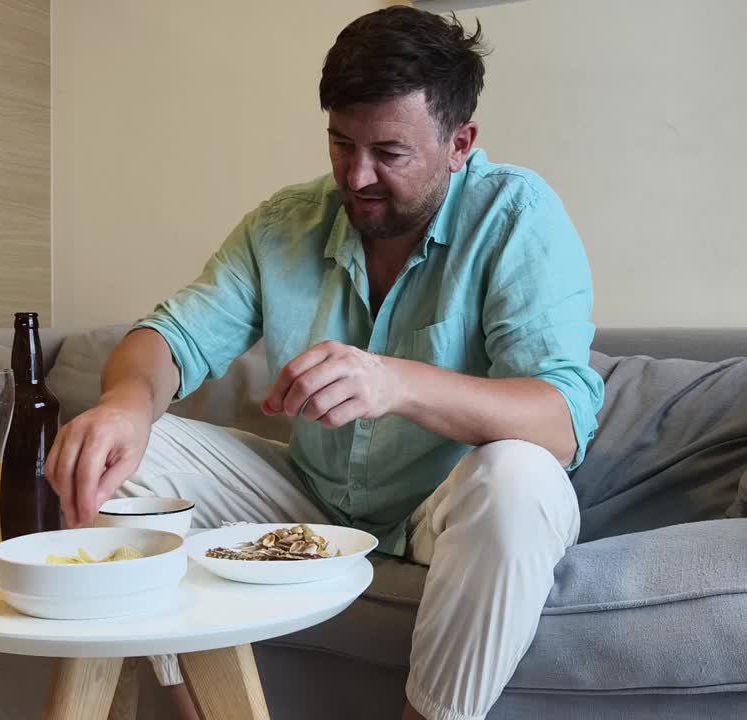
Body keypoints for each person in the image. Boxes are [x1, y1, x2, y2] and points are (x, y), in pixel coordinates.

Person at [45, 7, 604, 720]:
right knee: (128, 455)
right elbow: (167, 339)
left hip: (445, 509)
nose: (358, 175)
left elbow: (560, 422)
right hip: (309, 498)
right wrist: (124, 405)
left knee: (523, 478)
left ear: (460, 144)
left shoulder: (517, 215)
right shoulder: (286, 222)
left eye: (389, 152)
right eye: (342, 143)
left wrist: (396, 382)